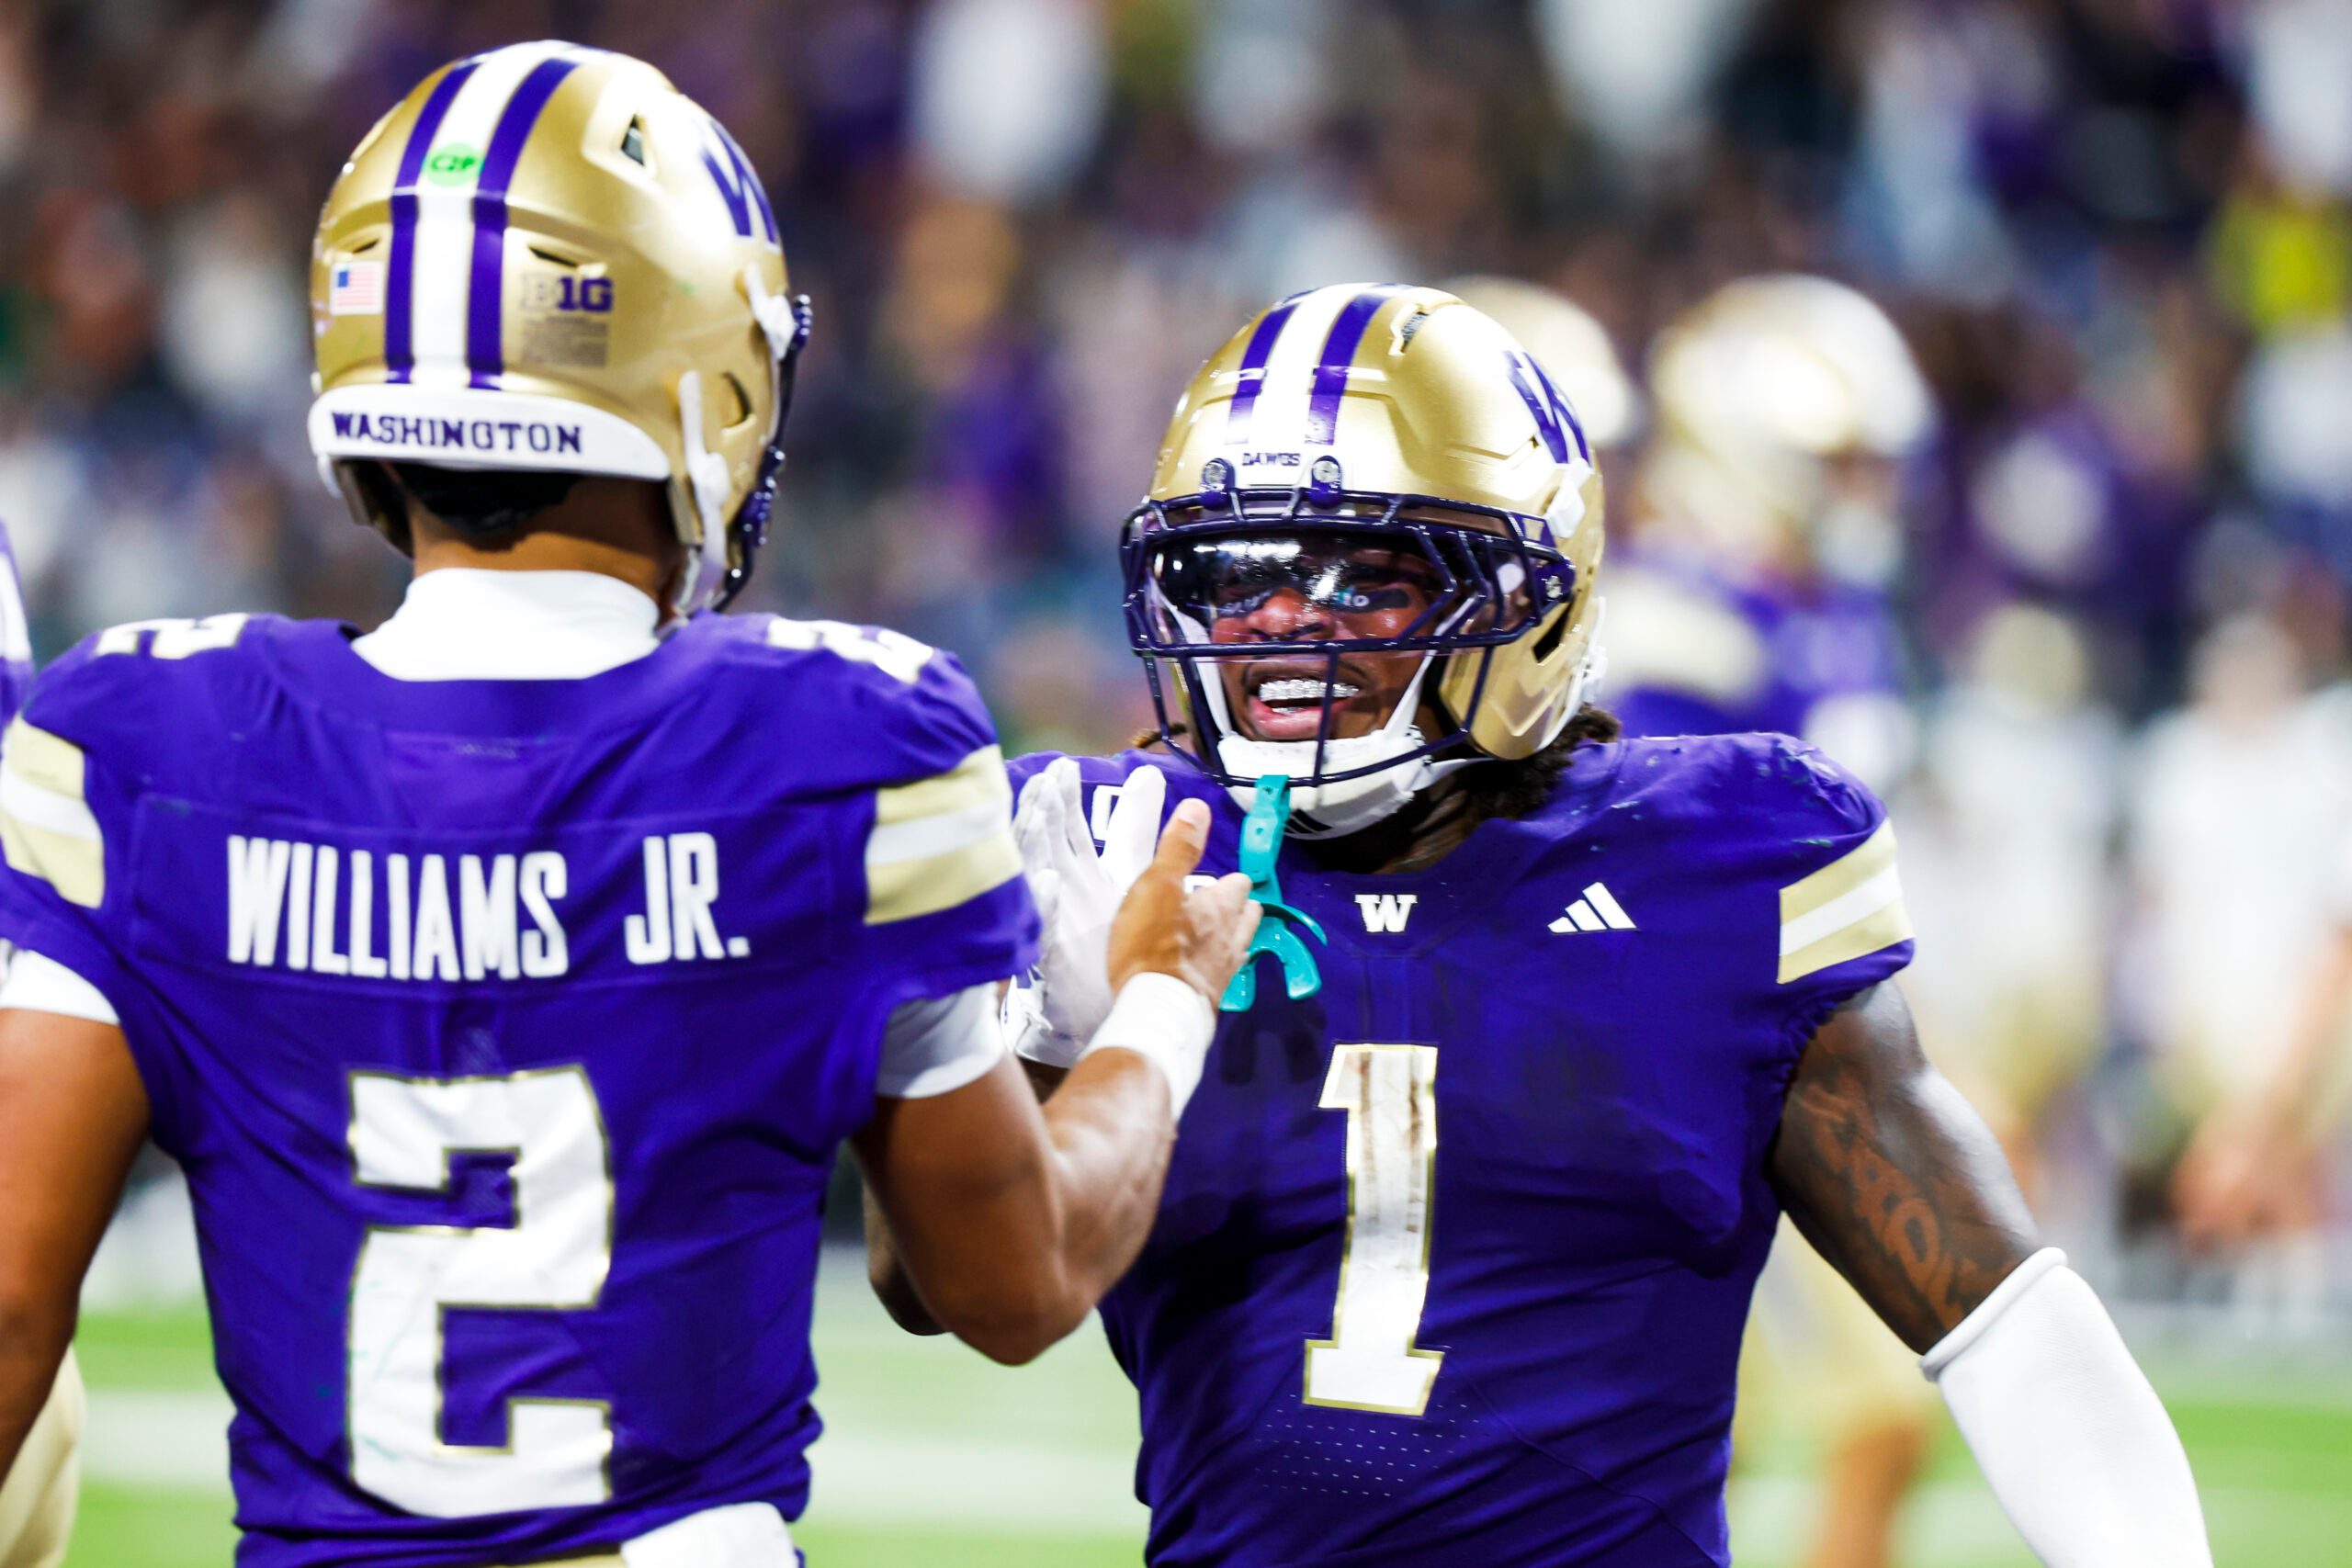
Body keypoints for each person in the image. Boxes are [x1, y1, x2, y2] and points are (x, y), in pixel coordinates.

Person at [0, 43, 1255, 1568]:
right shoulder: (844, 740)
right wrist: (1163, 1001)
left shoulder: (145, 741)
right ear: (706, 380)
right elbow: (1014, 1283)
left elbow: (10, 1311)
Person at [869, 283, 2211, 1566]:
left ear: (1528, 594)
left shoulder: (1721, 858)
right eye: (1236, 574)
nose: (1283, 627)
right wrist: (1047, 1031)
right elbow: (931, 1289)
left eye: (1363, 578)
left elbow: (1996, 1314)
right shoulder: (1111, 851)